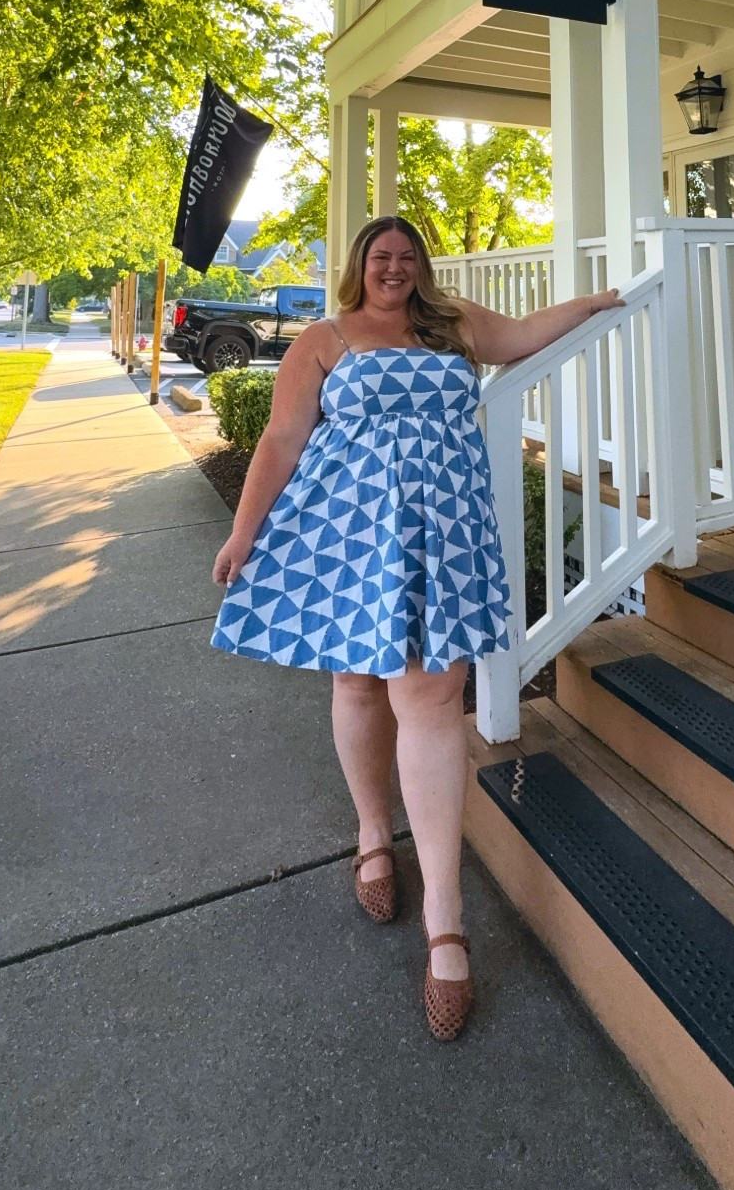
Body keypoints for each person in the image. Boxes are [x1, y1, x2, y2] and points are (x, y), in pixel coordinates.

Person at [211, 214, 622, 1040]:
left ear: (420, 268)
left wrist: (599, 300)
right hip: (348, 529)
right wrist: (245, 530)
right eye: (379, 257)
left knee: (432, 699)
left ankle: (445, 919)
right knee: (357, 680)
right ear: (358, 267)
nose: (393, 269)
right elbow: (283, 437)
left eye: (406, 258)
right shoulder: (324, 338)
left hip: (445, 528)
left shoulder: (453, 323)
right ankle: (371, 834)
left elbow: (524, 335)